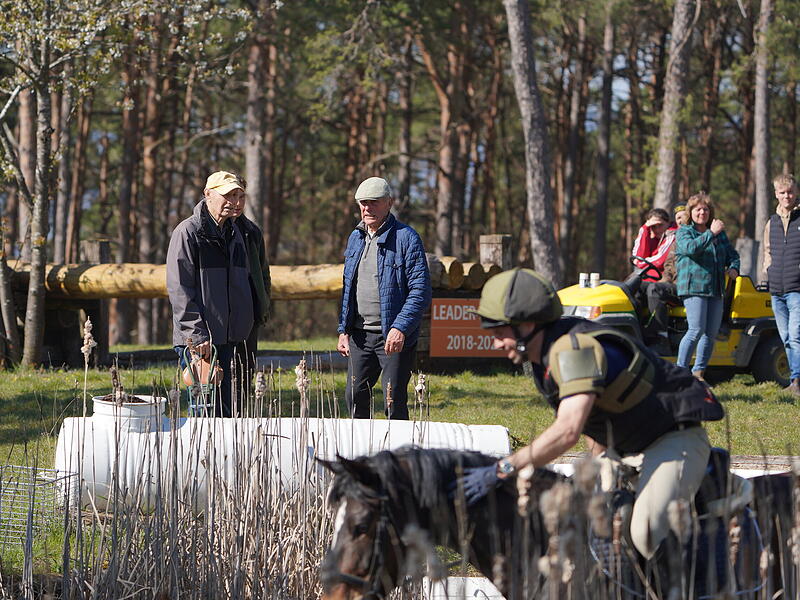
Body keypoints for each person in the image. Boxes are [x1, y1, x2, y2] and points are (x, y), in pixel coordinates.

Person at [454, 268, 724, 562]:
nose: (495, 343)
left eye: (500, 333)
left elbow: (568, 430)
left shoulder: (572, 350)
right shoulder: (544, 356)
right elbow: (594, 425)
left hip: (676, 439)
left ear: (527, 324)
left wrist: (503, 468)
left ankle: (719, 486)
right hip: (628, 446)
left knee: (647, 533)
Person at [167, 171, 266, 417]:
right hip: (202, 340)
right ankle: (200, 457)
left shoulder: (242, 234)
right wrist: (196, 335)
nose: (235, 202)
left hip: (237, 337)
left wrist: (254, 319)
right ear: (208, 194)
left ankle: (231, 457)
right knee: (205, 413)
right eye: (228, 195)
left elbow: (256, 280)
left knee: (234, 411)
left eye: (240, 196)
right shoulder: (188, 233)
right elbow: (179, 289)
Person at [337, 177, 431, 420]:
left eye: (374, 203)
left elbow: (420, 290)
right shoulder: (355, 236)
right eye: (363, 203)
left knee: (393, 399)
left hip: (393, 335)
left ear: (389, 203)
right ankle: (360, 453)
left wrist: (400, 328)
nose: (368, 208)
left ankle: (399, 456)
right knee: (354, 395)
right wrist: (343, 330)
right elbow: (349, 287)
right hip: (359, 334)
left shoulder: (407, 238)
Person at [675, 193, 740, 381]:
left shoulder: (720, 234)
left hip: (716, 288)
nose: (702, 212)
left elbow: (732, 255)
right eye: (698, 209)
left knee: (710, 334)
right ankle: (679, 373)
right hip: (694, 287)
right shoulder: (684, 231)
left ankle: (698, 374)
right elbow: (691, 249)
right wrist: (711, 233)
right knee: (696, 330)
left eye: (705, 209)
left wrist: (734, 267)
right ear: (691, 212)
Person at [762, 174, 800, 395]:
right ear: (776, 194)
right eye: (783, 192)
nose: (787, 196)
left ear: (796, 192)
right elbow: (767, 251)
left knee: (795, 335)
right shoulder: (771, 222)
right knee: (785, 337)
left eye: (791, 192)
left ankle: (796, 380)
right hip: (777, 290)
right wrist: (768, 271)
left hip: (797, 289)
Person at [643, 205, 689, 353]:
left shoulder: (701, 237)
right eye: (678, 218)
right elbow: (669, 267)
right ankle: (640, 332)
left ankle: (661, 339)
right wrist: (664, 281)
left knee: (655, 290)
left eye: (684, 216)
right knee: (640, 286)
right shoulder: (677, 241)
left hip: (691, 289)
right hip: (676, 286)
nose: (681, 221)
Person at [632, 208, 676, 281]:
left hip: (666, 276)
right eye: (653, 226)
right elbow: (639, 255)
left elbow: (660, 260)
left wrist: (640, 263)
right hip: (651, 275)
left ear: (668, 223)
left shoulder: (672, 235)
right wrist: (645, 229)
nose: (657, 230)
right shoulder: (654, 239)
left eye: (660, 225)